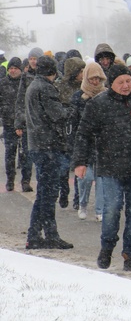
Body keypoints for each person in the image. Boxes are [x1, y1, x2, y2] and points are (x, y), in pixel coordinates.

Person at [73, 64, 131, 272]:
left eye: (128, 81)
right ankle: (107, 248)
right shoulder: (98, 104)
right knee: (111, 211)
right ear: (111, 84)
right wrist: (80, 162)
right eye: (120, 82)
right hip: (110, 167)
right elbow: (83, 134)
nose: (125, 85)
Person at [23, 55, 73, 250]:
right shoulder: (45, 88)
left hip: (37, 144)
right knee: (48, 194)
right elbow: (58, 115)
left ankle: (34, 235)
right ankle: (50, 234)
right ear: (52, 72)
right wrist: (72, 109)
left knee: (43, 193)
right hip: (48, 146)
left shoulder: (33, 86)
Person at [68, 62, 108, 221]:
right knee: (86, 178)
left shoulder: (107, 95)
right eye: (92, 78)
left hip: (102, 143)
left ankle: (100, 210)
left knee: (101, 179)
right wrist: (73, 144)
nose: (95, 82)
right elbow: (73, 122)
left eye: (98, 78)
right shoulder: (78, 98)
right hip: (84, 142)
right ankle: (82, 204)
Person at [54, 56, 85, 209]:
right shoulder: (59, 87)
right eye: (80, 71)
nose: (82, 73)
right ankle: (64, 192)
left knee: (79, 169)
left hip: (79, 132)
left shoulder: (84, 87)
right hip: (63, 133)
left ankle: (78, 199)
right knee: (63, 169)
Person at [14, 47, 45, 193]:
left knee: (43, 154)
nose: (33, 61)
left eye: (35, 58)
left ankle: (43, 181)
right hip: (28, 122)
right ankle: (25, 180)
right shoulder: (25, 77)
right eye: (31, 58)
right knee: (27, 153)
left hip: (43, 122)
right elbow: (20, 100)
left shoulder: (46, 75)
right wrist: (19, 123)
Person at [1, 57, 23, 191]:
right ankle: (10, 179)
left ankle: (25, 181)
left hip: (24, 124)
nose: (13, 71)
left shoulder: (25, 83)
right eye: (11, 68)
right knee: (10, 153)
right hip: (9, 123)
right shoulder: (2, 83)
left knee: (25, 154)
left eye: (15, 68)